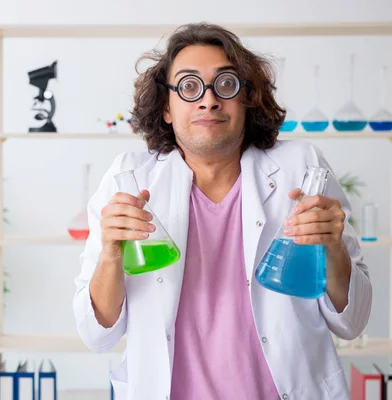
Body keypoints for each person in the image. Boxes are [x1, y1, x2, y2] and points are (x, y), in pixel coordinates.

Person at [72, 22, 372, 400]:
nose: (208, 100)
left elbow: (353, 321)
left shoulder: (303, 169)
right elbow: (96, 334)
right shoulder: (127, 181)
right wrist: (112, 257)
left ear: (247, 99)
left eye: (225, 84)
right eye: (189, 86)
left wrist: (334, 249)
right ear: (166, 107)